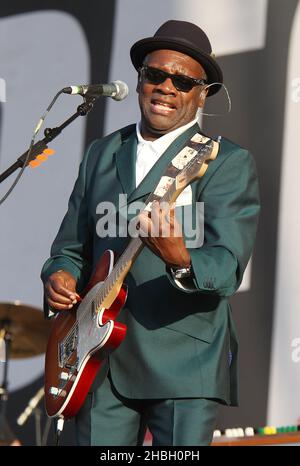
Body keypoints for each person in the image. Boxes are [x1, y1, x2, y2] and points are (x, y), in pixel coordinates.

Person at [41, 20, 260, 446]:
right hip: (98, 357)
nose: (165, 87)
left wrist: (181, 258)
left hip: (184, 359)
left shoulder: (225, 162)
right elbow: (69, 247)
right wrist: (59, 275)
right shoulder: (102, 154)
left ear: (203, 94)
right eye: (154, 75)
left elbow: (227, 264)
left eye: (181, 80)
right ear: (140, 81)